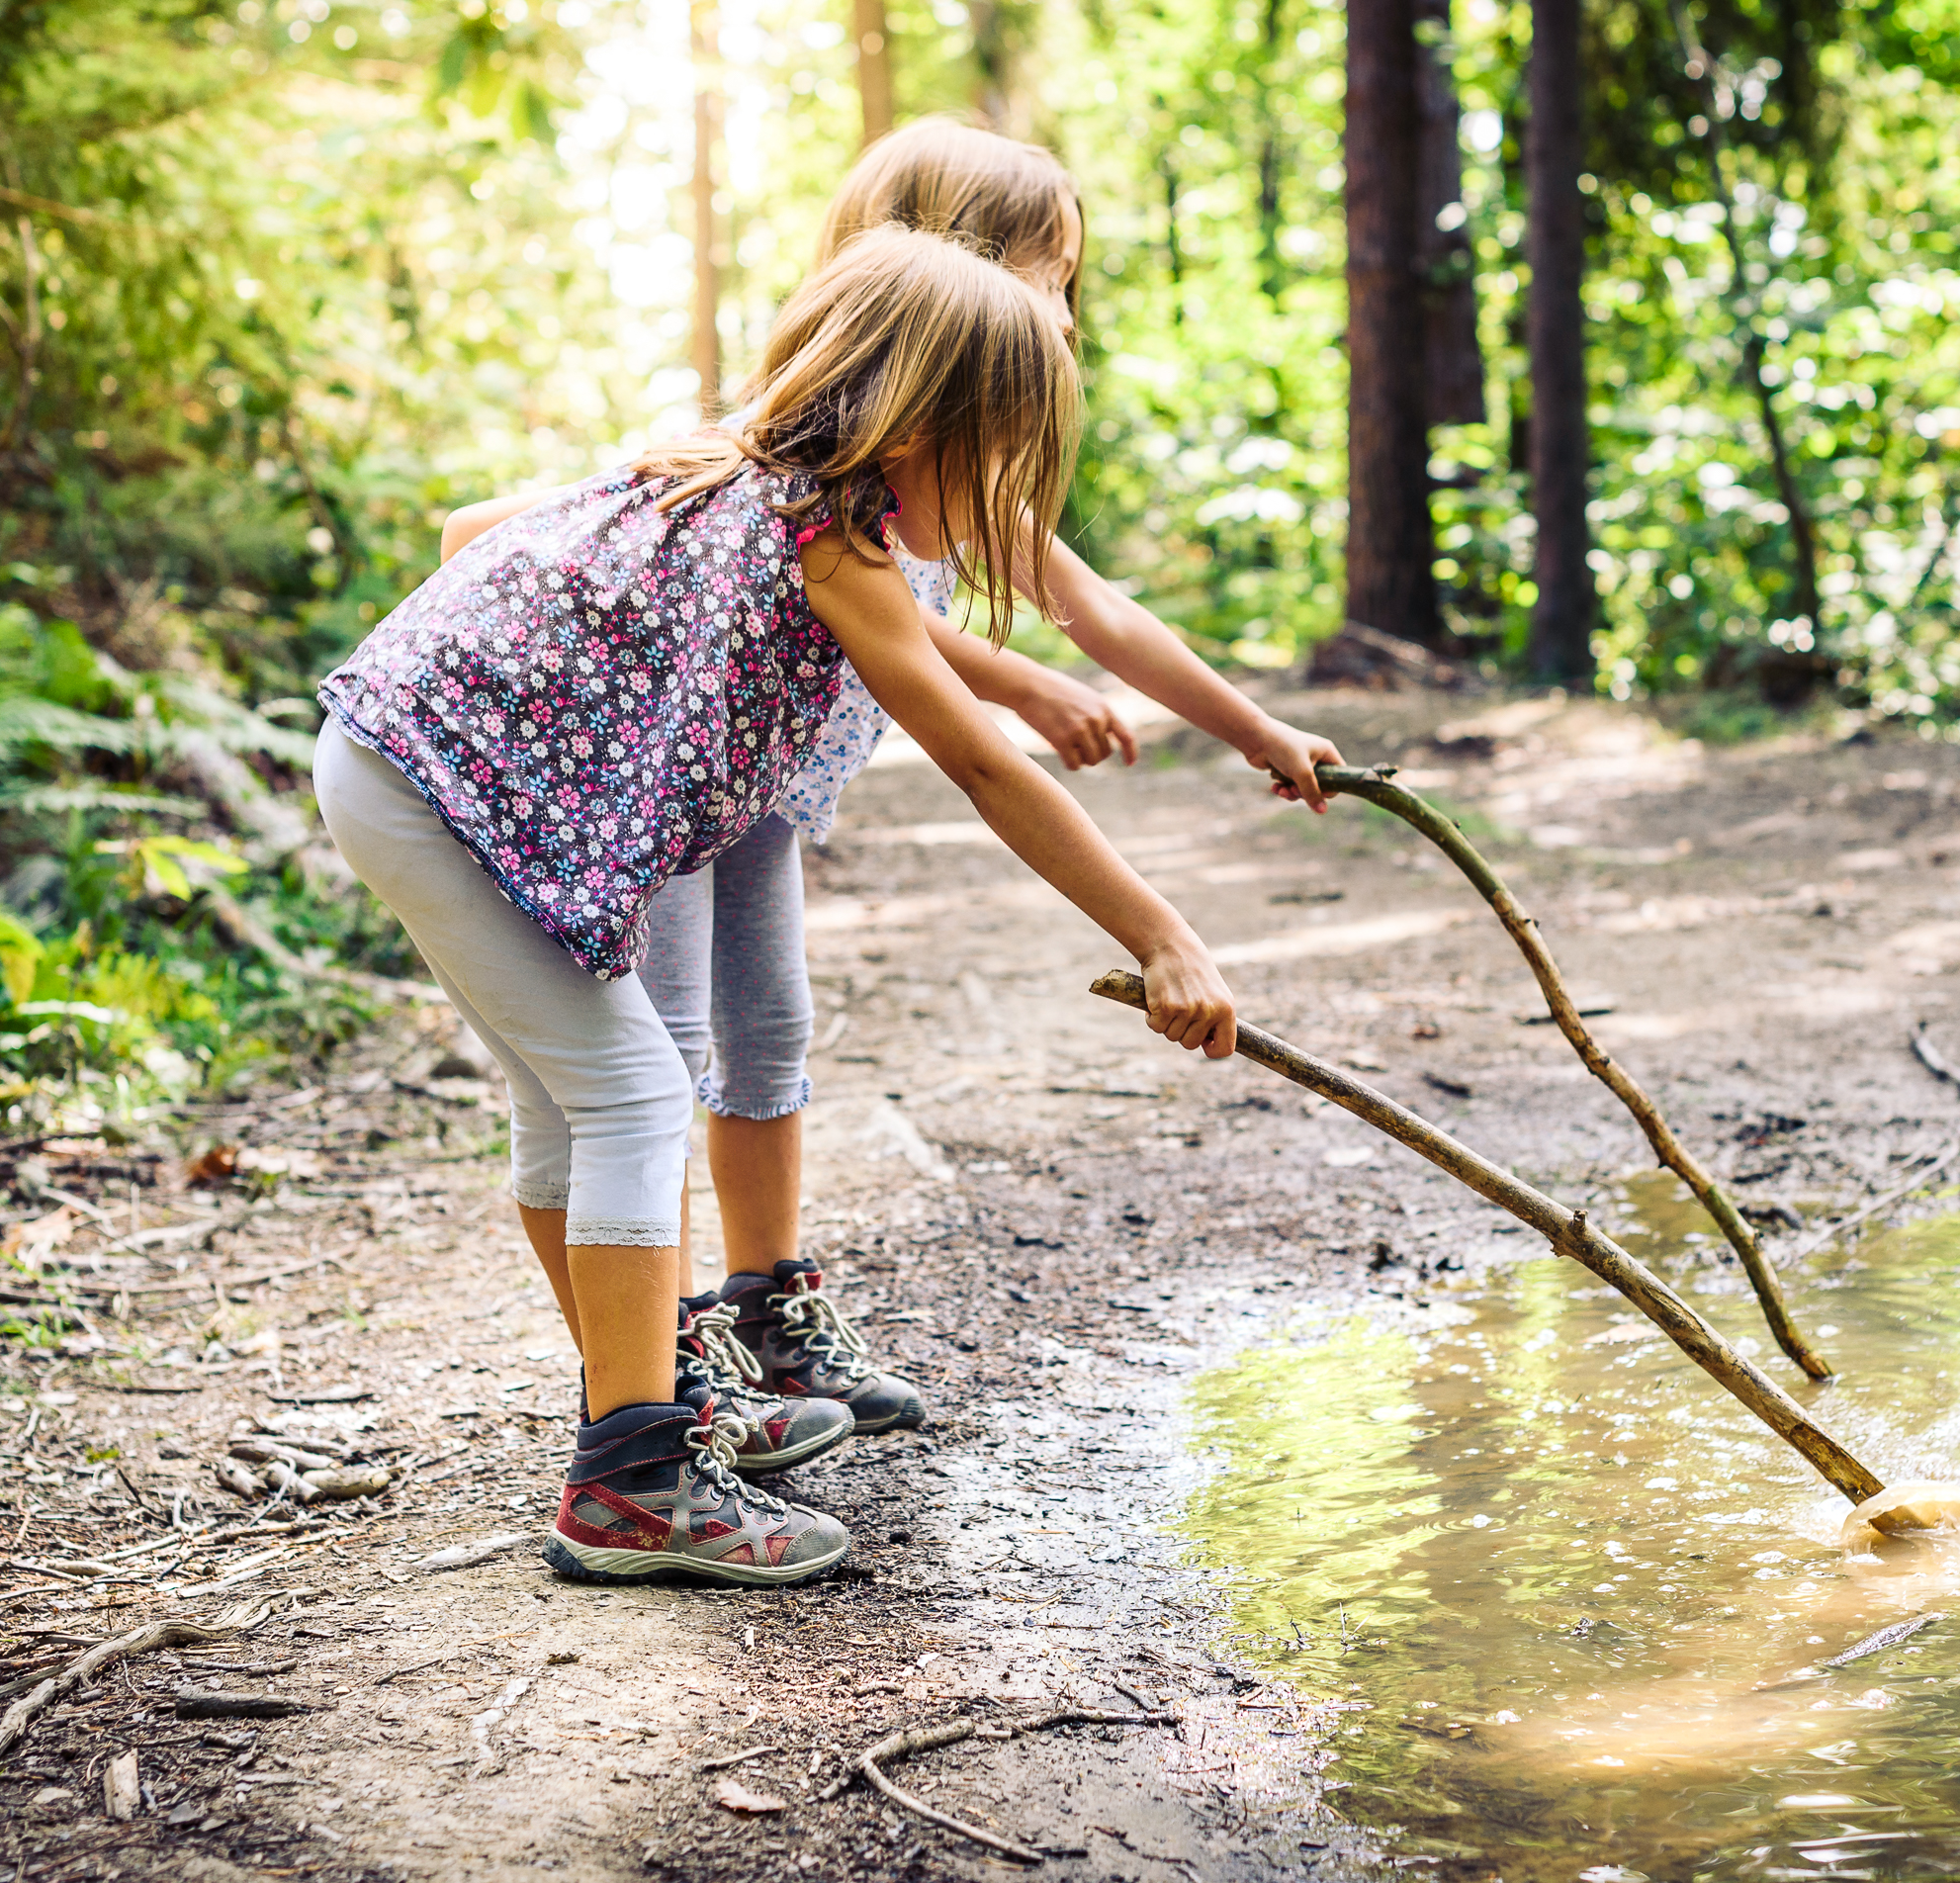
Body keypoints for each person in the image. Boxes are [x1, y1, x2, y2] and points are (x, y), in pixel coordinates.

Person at [313, 226, 1244, 1586]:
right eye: (990, 464)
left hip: (408, 768)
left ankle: (651, 1420)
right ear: (918, 428)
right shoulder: (830, 542)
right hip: (441, 787)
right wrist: (1164, 936)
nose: (995, 504)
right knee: (634, 1096)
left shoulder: (765, 483)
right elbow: (986, 764)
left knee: (575, 1105)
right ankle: (631, 1484)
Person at [437, 120, 1341, 1444]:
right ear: (951, 272)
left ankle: (768, 1305)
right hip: (675, 779)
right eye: (1051, 276)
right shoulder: (774, 453)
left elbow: (1093, 616)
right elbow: (483, 534)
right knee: (666, 1055)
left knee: (772, 1029)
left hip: (764, 789)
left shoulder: (951, 467)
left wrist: (1252, 726)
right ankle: (662, 1355)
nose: (1064, 315)